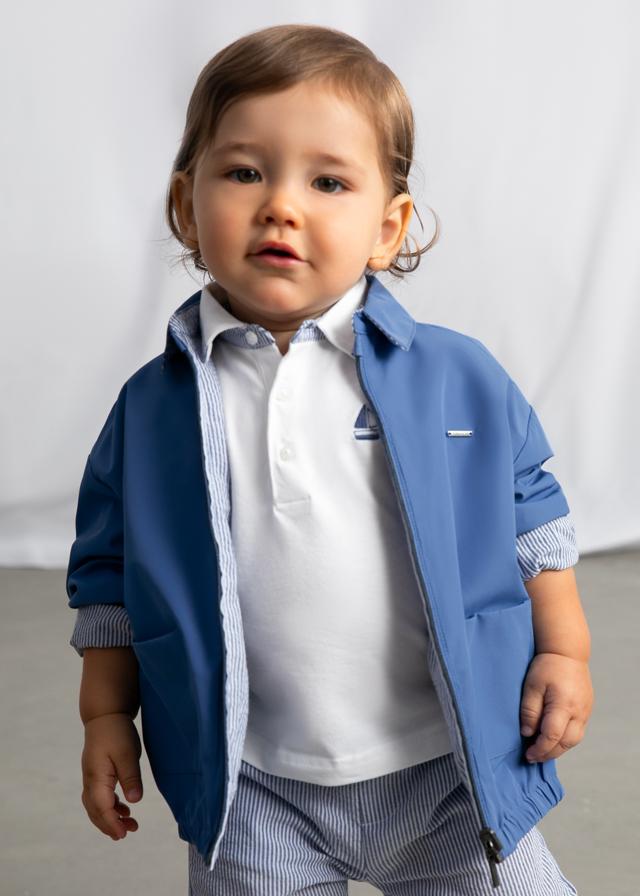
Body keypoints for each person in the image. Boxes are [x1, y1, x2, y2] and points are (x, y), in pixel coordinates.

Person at [66, 23, 593, 895]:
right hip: (253, 788)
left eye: (328, 182)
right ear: (184, 205)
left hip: (447, 774)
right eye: (245, 173)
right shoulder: (152, 410)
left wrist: (564, 653)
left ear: (387, 227)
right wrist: (105, 714)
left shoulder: (454, 375)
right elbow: (110, 575)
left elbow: (530, 512)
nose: (282, 205)